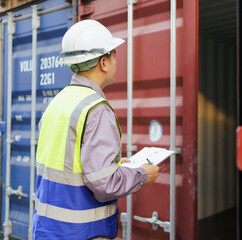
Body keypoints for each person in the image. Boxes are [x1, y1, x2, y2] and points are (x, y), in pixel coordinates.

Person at [32, 20, 160, 240]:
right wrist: (141, 175)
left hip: (48, 229)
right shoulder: (96, 109)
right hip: (82, 233)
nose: (116, 60)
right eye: (114, 54)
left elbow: (71, 163)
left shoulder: (58, 102)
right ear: (103, 62)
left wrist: (118, 166)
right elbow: (104, 184)